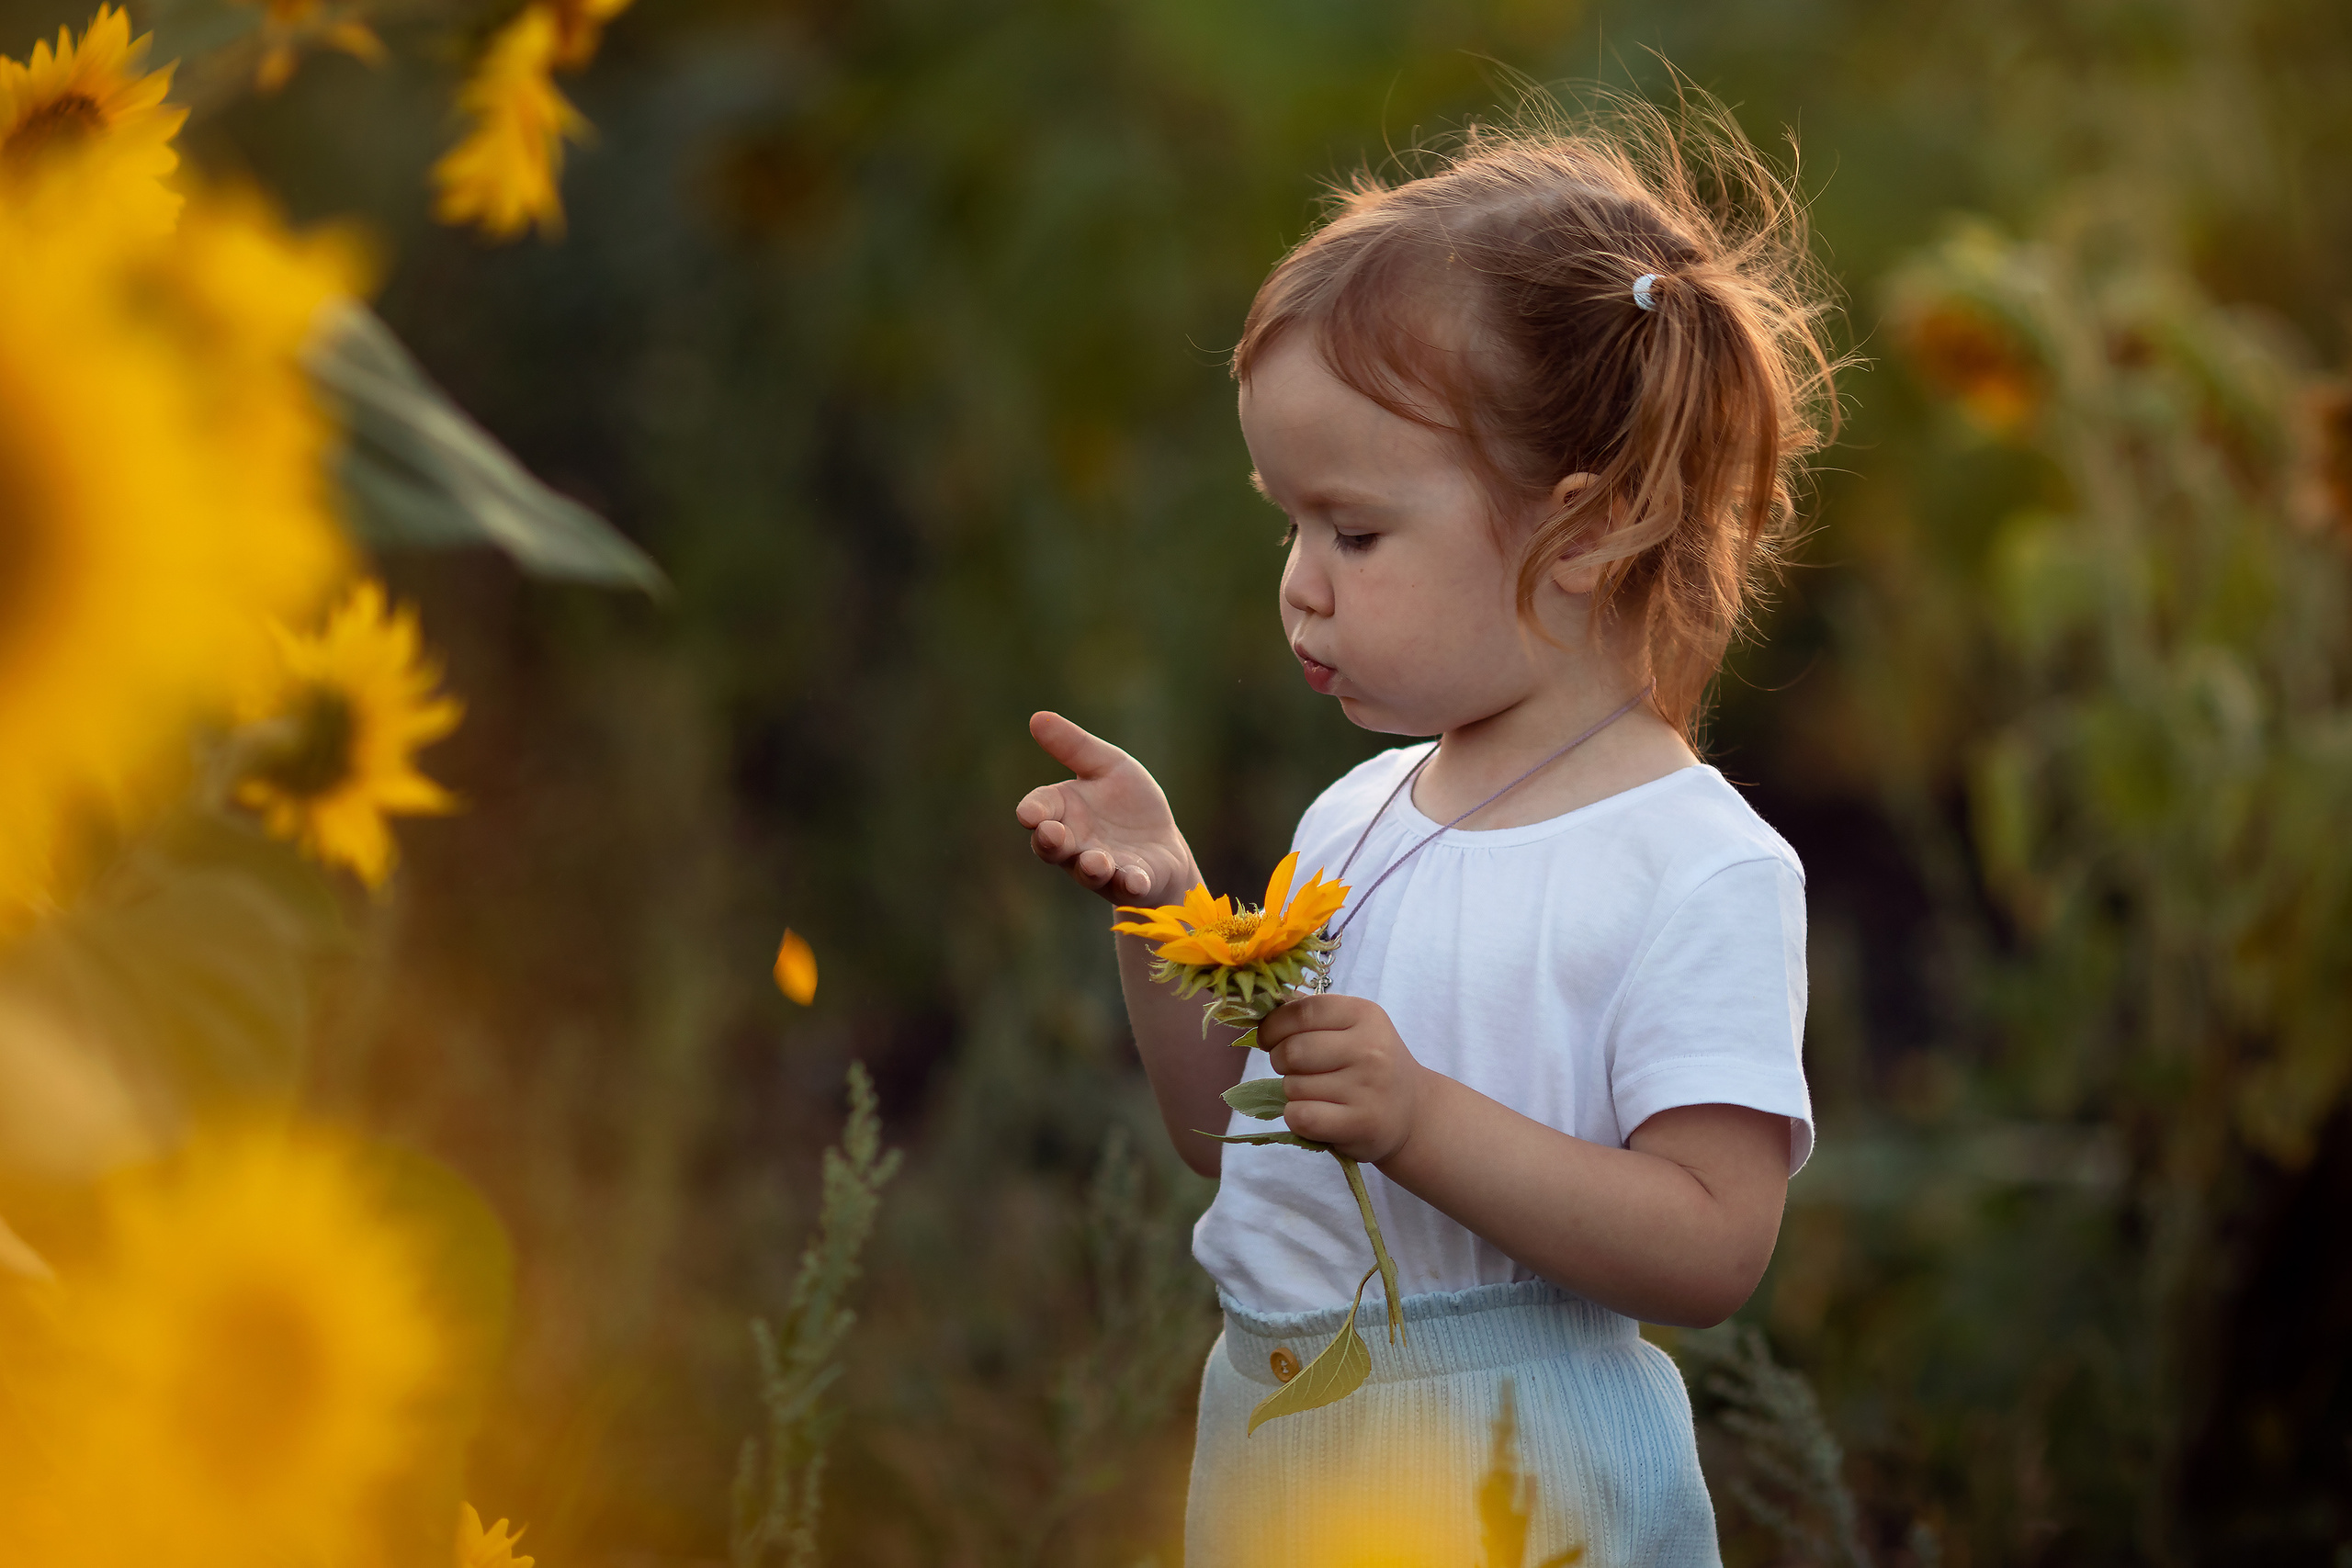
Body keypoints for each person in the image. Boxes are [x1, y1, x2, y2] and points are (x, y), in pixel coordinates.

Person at [1013, 95, 1838, 1567]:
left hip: (1520, 1467)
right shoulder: (1361, 811)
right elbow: (1231, 1136)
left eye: (1355, 532)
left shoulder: (1692, 866)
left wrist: (1423, 1120)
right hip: (1286, 1446)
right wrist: (1174, 911)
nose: (1301, 584)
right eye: (1289, 525)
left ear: (1585, 531)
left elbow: (1715, 1243)